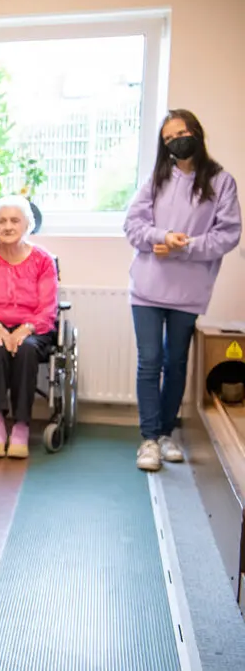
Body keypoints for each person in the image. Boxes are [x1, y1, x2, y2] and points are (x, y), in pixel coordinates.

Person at [123, 109, 241, 472]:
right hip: (147, 289)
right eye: (170, 137)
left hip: (189, 292)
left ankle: (166, 434)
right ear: (165, 145)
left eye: (183, 132)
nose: (178, 140)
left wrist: (183, 245)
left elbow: (228, 234)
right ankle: (148, 439)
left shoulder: (221, 182)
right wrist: (161, 237)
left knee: (176, 364)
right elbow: (133, 226)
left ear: (197, 133)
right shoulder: (155, 180)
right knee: (150, 362)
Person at [0, 195, 58, 459]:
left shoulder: (43, 260)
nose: (8, 226)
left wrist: (26, 329)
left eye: (15, 220)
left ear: (27, 225)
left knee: (26, 350)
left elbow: (48, 307)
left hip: (33, 329)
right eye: (1, 221)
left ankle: (21, 427)